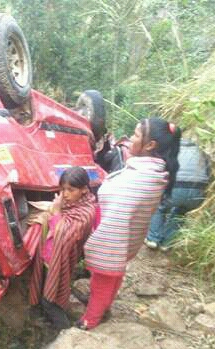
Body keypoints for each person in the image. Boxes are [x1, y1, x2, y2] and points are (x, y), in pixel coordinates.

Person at [77, 118, 182, 330]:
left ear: (150, 145)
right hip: (128, 237)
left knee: (104, 277)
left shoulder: (143, 177)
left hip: (114, 239)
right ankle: (103, 306)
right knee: (114, 273)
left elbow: (119, 212)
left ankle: (90, 319)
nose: (131, 138)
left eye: (135, 135)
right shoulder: (153, 173)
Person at [28, 167, 98, 329]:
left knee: (51, 300)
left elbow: (65, 235)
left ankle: (65, 333)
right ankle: (45, 318)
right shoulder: (72, 205)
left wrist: (57, 211)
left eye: (70, 190)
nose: (65, 194)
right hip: (50, 257)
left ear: (84, 190)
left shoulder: (86, 212)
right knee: (45, 286)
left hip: (61, 261)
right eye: (63, 189)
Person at [145, 138, 211, 251]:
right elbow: (209, 174)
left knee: (159, 207)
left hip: (176, 187)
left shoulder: (171, 149)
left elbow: (162, 170)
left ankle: (153, 239)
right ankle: (167, 242)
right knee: (181, 212)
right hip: (198, 192)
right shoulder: (202, 152)